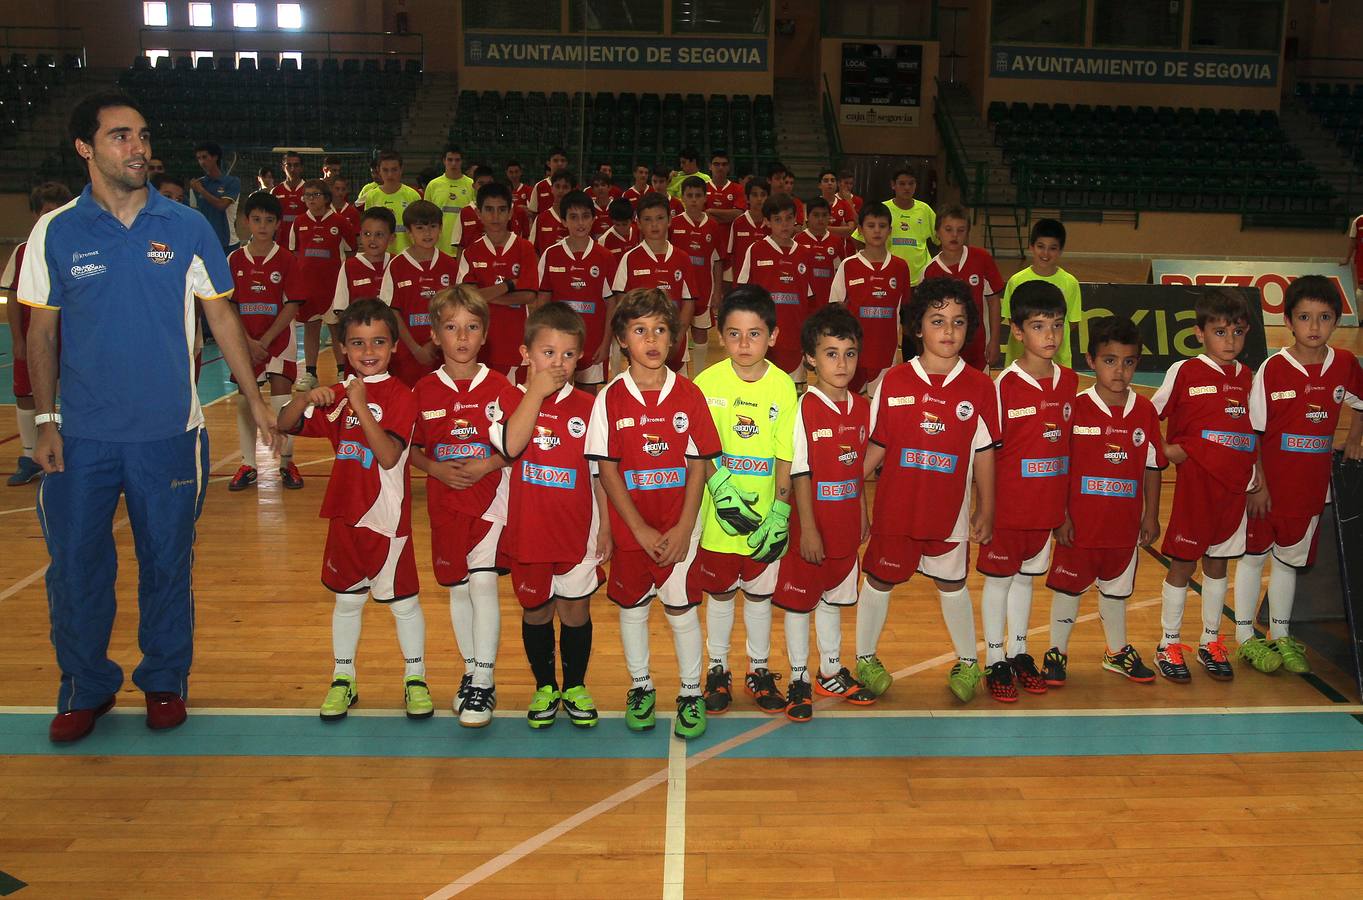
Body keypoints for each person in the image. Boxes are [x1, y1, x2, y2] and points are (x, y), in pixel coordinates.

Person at [24, 93, 275, 743]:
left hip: (169, 435)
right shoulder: (54, 232)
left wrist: (254, 398)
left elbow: (222, 316)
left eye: (141, 134)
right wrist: (46, 421)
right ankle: (86, 685)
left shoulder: (188, 227)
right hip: (79, 437)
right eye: (119, 136)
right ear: (86, 148)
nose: (137, 147)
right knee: (77, 570)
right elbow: (41, 335)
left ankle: (164, 679)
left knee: (167, 564)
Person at [276, 299, 431, 721]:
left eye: (378, 342)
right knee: (347, 602)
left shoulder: (401, 396)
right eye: (358, 342)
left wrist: (359, 404)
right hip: (345, 517)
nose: (368, 351)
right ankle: (343, 678)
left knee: (403, 604)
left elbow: (386, 456)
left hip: (387, 521)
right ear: (342, 348)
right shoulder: (338, 396)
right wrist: (308, 394)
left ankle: (415, 678)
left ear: (394, 346)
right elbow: (285, 424)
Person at [853, 277, 998, 701]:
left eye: (957, 321)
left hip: (949, 513)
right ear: (917, 327)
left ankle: (968, 662)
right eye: (937, 321)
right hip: (896, 511)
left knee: (952, 585)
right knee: (879, 579)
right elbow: (874, 449)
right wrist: (852, 503)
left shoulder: (980, 388)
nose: (948, 331)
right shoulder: (893, 382)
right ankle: (865, 657)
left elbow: (985, 453)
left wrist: (985, 509)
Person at [587, 288, 722, 739]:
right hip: (632, 528)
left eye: (660, 330)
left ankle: (689, 692)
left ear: (674, 339)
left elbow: (700, 463)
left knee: (682, 611)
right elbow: (606, 469)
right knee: (633, 609)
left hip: (681, 525)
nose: (651, 339)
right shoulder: (608, 399)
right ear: (623, 339)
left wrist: (685, 528)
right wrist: (637, 528)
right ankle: (641, 686)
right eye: (640, 330)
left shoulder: (689, 394)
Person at [1234, 275, 1363, 675]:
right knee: (1254, 559)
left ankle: (1281, 634)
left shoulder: (1344, 365)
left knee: (1289, 563)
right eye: (1304, 317)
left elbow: (1360, 403)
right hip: (1267, 491)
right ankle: (1243, 638)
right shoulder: (1273, 368)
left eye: (1324, 317)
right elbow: (1252, 432)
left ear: (1337, 321)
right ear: (1288, 320)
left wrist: (1355, 439)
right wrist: (1258, 484)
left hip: (1311, 490)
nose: (1313, 327)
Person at [490, 302, 610, 728]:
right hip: (527, 532)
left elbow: (600, 472)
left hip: (577, 532)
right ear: (525, 354)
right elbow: (511, 446)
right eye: (548, 352)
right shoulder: (506, 398)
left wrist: (607, 527)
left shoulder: (591, 406)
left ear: (581, 358)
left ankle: (574, 684)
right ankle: (545, 685)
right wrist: (535, 393)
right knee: (537, 610)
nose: (558, 363)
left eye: (568, 354)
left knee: (575, 612)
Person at [410, 285, 517, 726]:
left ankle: (485, 681)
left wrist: (490, 462)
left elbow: (518, 442)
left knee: (483, 585)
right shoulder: (422, 390)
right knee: (457, 588)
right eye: (451, 328)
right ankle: (471, 669)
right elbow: (409, 449)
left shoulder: (500, 387)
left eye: (472, 327)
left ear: (484, 334)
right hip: (445, 503)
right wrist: (434, 470)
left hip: (490, 502)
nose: (462, 337)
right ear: (435, 335)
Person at [690, 286, 798, 716]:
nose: (744, 344)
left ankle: (758, 668)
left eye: (755, 334)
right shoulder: (707, 383)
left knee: (758, 596)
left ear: (773, 335)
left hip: (763, 519)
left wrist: (781, 510)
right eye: (734, 334)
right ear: (719, 335)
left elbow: (785, 456)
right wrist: (719, 487)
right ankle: (717, 668)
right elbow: (699, 446)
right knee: (718, 595)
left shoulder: (783, 386)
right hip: (719, 518)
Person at [1043, 317, 1166, 686]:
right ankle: (1056, 652)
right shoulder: (1074, 408)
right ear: (1091, 360)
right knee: (1068, 588)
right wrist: (1060, 514)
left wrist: (1152, 516)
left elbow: (1153, 467)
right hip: (1079, 525)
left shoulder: (1145, 412)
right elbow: (1057, 466)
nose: (1120, 370)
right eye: (1110, 360)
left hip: (1123, 527)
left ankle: (1116, 652)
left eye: (1128, 362)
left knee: (1116, 590)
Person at [773, 304, 877, 718]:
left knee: (833, 598)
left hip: (846, 523)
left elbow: (857, 470)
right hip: (810, 527)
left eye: (849, 353)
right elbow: (800, 472)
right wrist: (809, 530)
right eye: (831, 353)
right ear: (811, 358)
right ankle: (798, 678)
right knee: (801, 603)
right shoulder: (803, 407)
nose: (842, 363)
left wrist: (863, 510)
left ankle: (830, 669)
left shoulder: (862, 408)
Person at [975, 282, 1077, 702]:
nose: (1049, 336)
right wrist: (984, 509)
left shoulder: (1071, 382)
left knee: (1026, 582)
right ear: (1017, 331)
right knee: (999, 582)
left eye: (1056, 325)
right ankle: (995, 658)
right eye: (1038, 326)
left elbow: (1069, 450)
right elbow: (983, 453)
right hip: (1008, 509)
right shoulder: (1001, 386)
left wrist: (1065, 509)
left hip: (1047, 507)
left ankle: (1018, 651)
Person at [1150, 288, 1256, 683]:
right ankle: (1168, 642)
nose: (1229, 341)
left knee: (1218, 562)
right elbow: (1149, 411)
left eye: (1238, 332)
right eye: (1220, 332)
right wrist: (1164, 449)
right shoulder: (1184, 371)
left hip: (1235, 489)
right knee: (1182, 561)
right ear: (1200, 333)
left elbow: (1254, 428)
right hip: (1196, 487)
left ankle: (1211, 639)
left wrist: (1256, 474)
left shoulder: (1247, 376)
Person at [226, 191, 305, 492]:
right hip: (243, 340)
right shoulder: (234, 259)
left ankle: (287, 461)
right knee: (247, 398)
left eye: (269, 220)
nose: (262, 225)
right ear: (246, 221)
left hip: (278, 338)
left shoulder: (287, 259)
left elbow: (292, 303)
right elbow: (229, 305)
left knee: (281, 399)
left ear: (278, 224)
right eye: (256, 219)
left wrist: (267, 339)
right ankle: (249, 463)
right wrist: (245, 340)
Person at [3, 181, 72, 487]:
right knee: (26, 393)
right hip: (36, 336)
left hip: (70, 338)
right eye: (47, 210)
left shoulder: (77, 246)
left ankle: (68, 450)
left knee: (70, 393)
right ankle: (30, 456)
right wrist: (18, 338)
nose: (53, 215)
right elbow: (15, 298)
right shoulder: (23, 251)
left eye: (59, 210)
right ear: (35, 214)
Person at [456, 181, 541, 380]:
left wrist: (483, 296)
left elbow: (529, 295)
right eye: (489, 210)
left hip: (516, 340)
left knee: (515, 403)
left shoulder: (525, 248)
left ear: (511, 213)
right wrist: (509, 285)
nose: (495, 216)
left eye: (501, 210)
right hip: (481, 341)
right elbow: (466, 298)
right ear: (479, 213)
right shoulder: (471, 252)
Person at [828, 202, 911, 395]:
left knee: (879, 411)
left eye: (882, 226)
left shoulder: (900, 267)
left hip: (885, 353)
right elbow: (835, 308)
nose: (877, 231)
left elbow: (905, 311)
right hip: (851, 352)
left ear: (890, 230)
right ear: (860, 230)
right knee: (850, 407)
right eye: (871, 225)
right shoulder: (848, 265)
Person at [536, 190, 615, 391]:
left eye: (585, 216)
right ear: (563, 221)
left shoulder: (604, 256)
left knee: (587, 397)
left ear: (593, 219)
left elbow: (612, 304)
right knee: (556, 394)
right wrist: (541, 340)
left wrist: (606, 343)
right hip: (558, 342)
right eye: (573, 217)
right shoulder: (551, 255)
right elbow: (542, 301)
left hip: (593, 341)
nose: (580, 223)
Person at [736, 194, 816, 384]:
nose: (785, 224)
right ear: (767, 222)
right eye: (778, 219)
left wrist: (810, 339)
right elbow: (742, 297)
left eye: (789, 218)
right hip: (763, 339)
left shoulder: (805, 253)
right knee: (762, 393)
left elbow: (810, 300)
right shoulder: (755, 250)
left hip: (795, 339)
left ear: (796, 219)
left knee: (793, 395)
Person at [611, 193, 694, 372]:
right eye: (647, 219)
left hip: (674, 341)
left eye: (659, 218)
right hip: (642, 342)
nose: (654, 224)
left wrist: (677, 335)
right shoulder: (630, 259)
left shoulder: (683, 258)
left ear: (670, 220)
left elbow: (688, 301)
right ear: (639, 224)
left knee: (677, 391)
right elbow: (622, 303)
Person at [380, 199, 460, 387]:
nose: (427, 233)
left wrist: (434, 343)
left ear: (440, 229)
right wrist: (416, 349)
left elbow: (457, 309)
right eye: (420, 228)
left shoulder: (450, 265)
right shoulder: (396, 266)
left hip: (443, 350)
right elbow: (391, 311)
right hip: (407, 352)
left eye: (432, 226)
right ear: (409, 232)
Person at [289, 178, 356, 392]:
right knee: (311, 328)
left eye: (315, 195)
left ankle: (340, 371)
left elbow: (351, 251)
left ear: (326, 198)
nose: (310, 199)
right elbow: (294, 253)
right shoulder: (299, 222)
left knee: (336, 330)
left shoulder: (340, 222)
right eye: (307, 195)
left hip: (333, 287)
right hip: (308, 288)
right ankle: (310, 372)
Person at [923, 205, 1004, 371]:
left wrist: (995, 340)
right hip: (944, 347)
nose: (954, 235)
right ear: (937, 232)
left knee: (978, 392)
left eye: (961, 230)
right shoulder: (930, 271)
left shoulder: (982, 259)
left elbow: (994, 301)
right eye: (948, 229)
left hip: (977, 345)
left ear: (967, 233)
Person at [999, 218, 1081, 368]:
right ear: (1031, 247)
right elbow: (1012, 320)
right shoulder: (1016, 281)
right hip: (1020, 359)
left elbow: (1073, 322)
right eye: (1040, 246)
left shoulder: (1070, 283)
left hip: (1058, 361)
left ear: (1061, 250)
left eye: (1053, 248)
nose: (1046, 253)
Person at [670, 175, 727, 375]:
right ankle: (680, 376)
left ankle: (700, 377)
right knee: (678, 332)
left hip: (704, 288)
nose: (693, 200)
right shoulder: (673, 224)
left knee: (701, 333)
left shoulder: (712, 226)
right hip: (678, 291)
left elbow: (718, 261)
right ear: (683, 198)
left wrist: (718, 292)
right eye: (689, 195)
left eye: (698, 195)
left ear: (705, 198)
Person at [326, 207, 394, 370]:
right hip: (360, 350)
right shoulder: (349, 267)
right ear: (360, 235)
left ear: (392, 238)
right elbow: (341, 311)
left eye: (379, 234)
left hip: (391, 347)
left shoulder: (397, 264)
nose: (372, 239)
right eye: (367, 234)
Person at [850, 169, 935, 285]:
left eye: (911, 183)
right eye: (902, 183)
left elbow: (940, 238)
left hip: (920, 280)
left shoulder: (925, 210)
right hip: (889, 277)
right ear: (893, 185)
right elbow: (857, 237)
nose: (907, 188)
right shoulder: (882, 209)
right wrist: (871, 262)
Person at [362, 150, 422, 255]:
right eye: (385, 170)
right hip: (380, 256)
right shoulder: (371, 196)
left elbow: (419, 229)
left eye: (394, 170)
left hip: (408, 256)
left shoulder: (412, 195)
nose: (390, 175)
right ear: (378, 170)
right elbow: (368, 228)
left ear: (401, 170)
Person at [190, 140, 241, 253]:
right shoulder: (197, 184)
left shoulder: (232, 182)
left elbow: (221, 205)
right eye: (199, 158)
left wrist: (201, 190)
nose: (202, 162)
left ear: (215, 157)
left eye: (204, 157)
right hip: (204, 243)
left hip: (228, 244)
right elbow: (194, 214)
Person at [425, 144, 475, 257]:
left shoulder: (471, 185)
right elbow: (426, 217)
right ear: (444, 161)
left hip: (464, 247)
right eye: (450, 160)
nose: (453, 163)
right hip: (439, 246)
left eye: (457, 160)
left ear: (462, 161)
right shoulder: (433, 185)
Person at [795, 196, 843, 307]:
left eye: (824, 215)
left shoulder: (836, 241)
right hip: (805, 301)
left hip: (829, 301)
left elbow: (840, 273)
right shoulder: (798, 240)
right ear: (808, 216)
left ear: (829, 217)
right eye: (816, 215)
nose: (820, 219)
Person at [725, 177, 771, 286]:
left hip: (766, 284)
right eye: (755, 195)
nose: (759, 199)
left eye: (763, 194)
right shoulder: (738, 223)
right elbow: (732, 257)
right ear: (747, 198)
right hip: (742, 285)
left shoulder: (773, 224)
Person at [532, 169, 573, 254]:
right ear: (551, 189)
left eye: (565, 187)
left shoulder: (577, 219)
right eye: (557, 186)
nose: (561, 191)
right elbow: (533, 251)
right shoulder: (541, 219)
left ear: (572, 190)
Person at [271, 150, 306, 247]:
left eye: (296, 165)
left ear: (301, 168)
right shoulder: (275, 191)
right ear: (283, 167)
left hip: (304, 241)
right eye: (288, 165)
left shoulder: (309, 190)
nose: (292, 169)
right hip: (282, 242)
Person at [597, 198, 639, 278]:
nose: (621, 228)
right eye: (617, 224)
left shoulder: (637, 231)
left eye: (625, 224)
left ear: (632, 218)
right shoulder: (604, 240)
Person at [815, 169, 857, 240]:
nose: (830, 183)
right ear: (819, 185)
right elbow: (812, 229)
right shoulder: (814, 204)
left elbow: (850, 229)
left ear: (837, 184)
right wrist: (842, 229)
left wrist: (822, 228)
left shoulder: (844, 204)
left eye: (832, 180)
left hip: (839, 247)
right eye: (826, 181)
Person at [529, 147, 570, 216]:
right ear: (548, 163)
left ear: (566, 163)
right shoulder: (539, 186)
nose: (559, 163)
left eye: (563, 160)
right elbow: (534, 214)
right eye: (555, 160)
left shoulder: (574, 186)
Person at [706, 150, 745, 223]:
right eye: (716, 164)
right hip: (707, 233)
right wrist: (729, 216)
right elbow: (700, 215)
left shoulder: (738, 188)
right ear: (710, 166)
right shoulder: (702, 187)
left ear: (729, 167)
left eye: (724, 164)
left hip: (730, 234)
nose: (720, 167)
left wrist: (710, 211)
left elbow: (739, 215)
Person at [588, 171, 615, 236]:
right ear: (592, 190)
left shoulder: (616, 206)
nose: (600, 188)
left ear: (609, 187)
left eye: (603, 185)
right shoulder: (588, 209)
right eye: (597, 186)